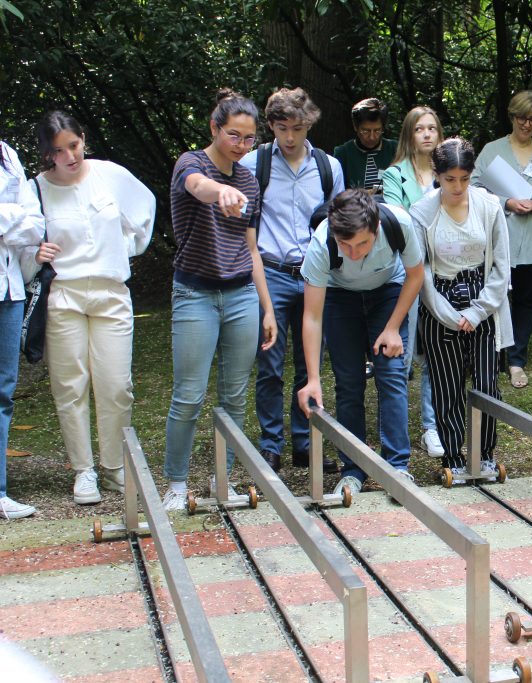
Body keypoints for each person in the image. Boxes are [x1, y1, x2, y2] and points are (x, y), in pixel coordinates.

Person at [28, 112, 154, 505]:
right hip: (63, 294)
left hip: (111, 291)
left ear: (83, 140)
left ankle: (115, 466)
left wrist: (127, 247)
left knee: (116, 385)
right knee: (70, 385)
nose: (69, 156)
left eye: (74, 145)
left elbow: (144, 211)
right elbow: (20, 239)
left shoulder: (109, 174)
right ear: (47, 154)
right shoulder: (36, 189)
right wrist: (36, 253)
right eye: (58, 150)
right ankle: (84, 471)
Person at [163, 90, 277, 510]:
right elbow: (197, 186)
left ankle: (221, 479)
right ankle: (175, 484)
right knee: (189, 394)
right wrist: (219, 192)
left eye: (249, 139)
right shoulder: (190, 163)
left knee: (234, 395)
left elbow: (252, 250)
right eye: (234, 136)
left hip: (242, 294)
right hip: (194, 294)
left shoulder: (249, 179)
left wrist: (267, 308)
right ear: (214, 128)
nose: (241, 146)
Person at [239, 87, 344, 473]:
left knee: (311, 363)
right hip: (271, 273)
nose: (289, 137)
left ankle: (305, 443)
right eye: (281, 128)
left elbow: (337, 221)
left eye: (297, 128)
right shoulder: (254, 164)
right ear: (270, 126)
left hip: (315, 274)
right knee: (270, 363)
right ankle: (271, 445)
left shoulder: (329, 166)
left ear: (309, 125)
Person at [296, 189, 423, 494]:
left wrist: (393, 327)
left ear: (376, 228)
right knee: (348, 382)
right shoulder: (322, 242)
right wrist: (312, 378)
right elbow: (312, 316)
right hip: (340, 298)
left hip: (388, 292)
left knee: (391, 375)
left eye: (362, 244)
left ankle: (397, 468)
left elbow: (415, 275)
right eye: (346, 246)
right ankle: (353, 469)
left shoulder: (398, 223)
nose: (354, 254)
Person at [408, 138, 512, 476]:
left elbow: (501, 266)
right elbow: (420, 270)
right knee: (447, 384)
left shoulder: (489, 206)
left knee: (486, 384)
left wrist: (478, 311)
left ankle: (483, 455)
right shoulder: (422, 213)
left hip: (482, 297)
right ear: (436, 175)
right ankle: (452, 455)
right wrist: (447, 314)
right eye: (449, 179)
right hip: (440, 298)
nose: (457, 187)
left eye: (464, 179)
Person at [472, 90, 532, 389]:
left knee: (526, 300)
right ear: (512, 117)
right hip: (501, 238)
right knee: (495, 296)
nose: (527, 124)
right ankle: (491, 355)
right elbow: (473, 188)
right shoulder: (492, 150)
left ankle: (516, 361)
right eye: (522, 118)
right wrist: (507, 203)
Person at [382, 105, 445, 458]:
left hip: (443, 269)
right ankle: (396, 426)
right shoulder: (394, 174)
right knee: (402, 355)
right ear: (409, 135)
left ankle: (431, 426)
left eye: (432, 128)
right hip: (405, 270)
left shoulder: (448, 172)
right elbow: (398, 219)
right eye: (419, 128)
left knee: (435, 352)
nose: (426, 134)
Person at [0, 140, 44, 519]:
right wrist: (12, 218)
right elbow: (21, 221)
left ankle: (0, 492)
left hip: (9, 289)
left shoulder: (8, 154)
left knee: (3, 393)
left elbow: (35, 225)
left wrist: (11, 222)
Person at [332, 98, 398, 193]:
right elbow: (337, 191)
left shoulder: (394, 149)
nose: (372, 137)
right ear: (356, 127)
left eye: (377, 131)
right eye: (365, 131)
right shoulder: (343, 153)